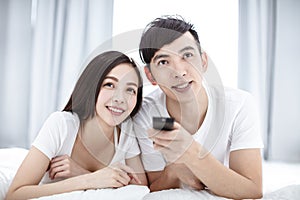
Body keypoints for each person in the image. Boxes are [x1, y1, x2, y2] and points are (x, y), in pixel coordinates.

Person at [134, 15, 264, 199]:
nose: (179, 72)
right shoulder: (146, 115)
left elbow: (252, 189)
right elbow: (154, 187)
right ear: (150, 76)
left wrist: (190, 152)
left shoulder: (239, 105)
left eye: (187, 56)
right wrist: (174, 170)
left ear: (203, 62)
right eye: (163, 62)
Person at [6, 51, 147, 200]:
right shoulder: (61, 125)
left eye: (130, 90)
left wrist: (82, 173)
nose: (120, 98)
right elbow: (14, 195)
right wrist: (88, 180)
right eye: (109, 85)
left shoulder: (126, 131)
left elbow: (141, 187)